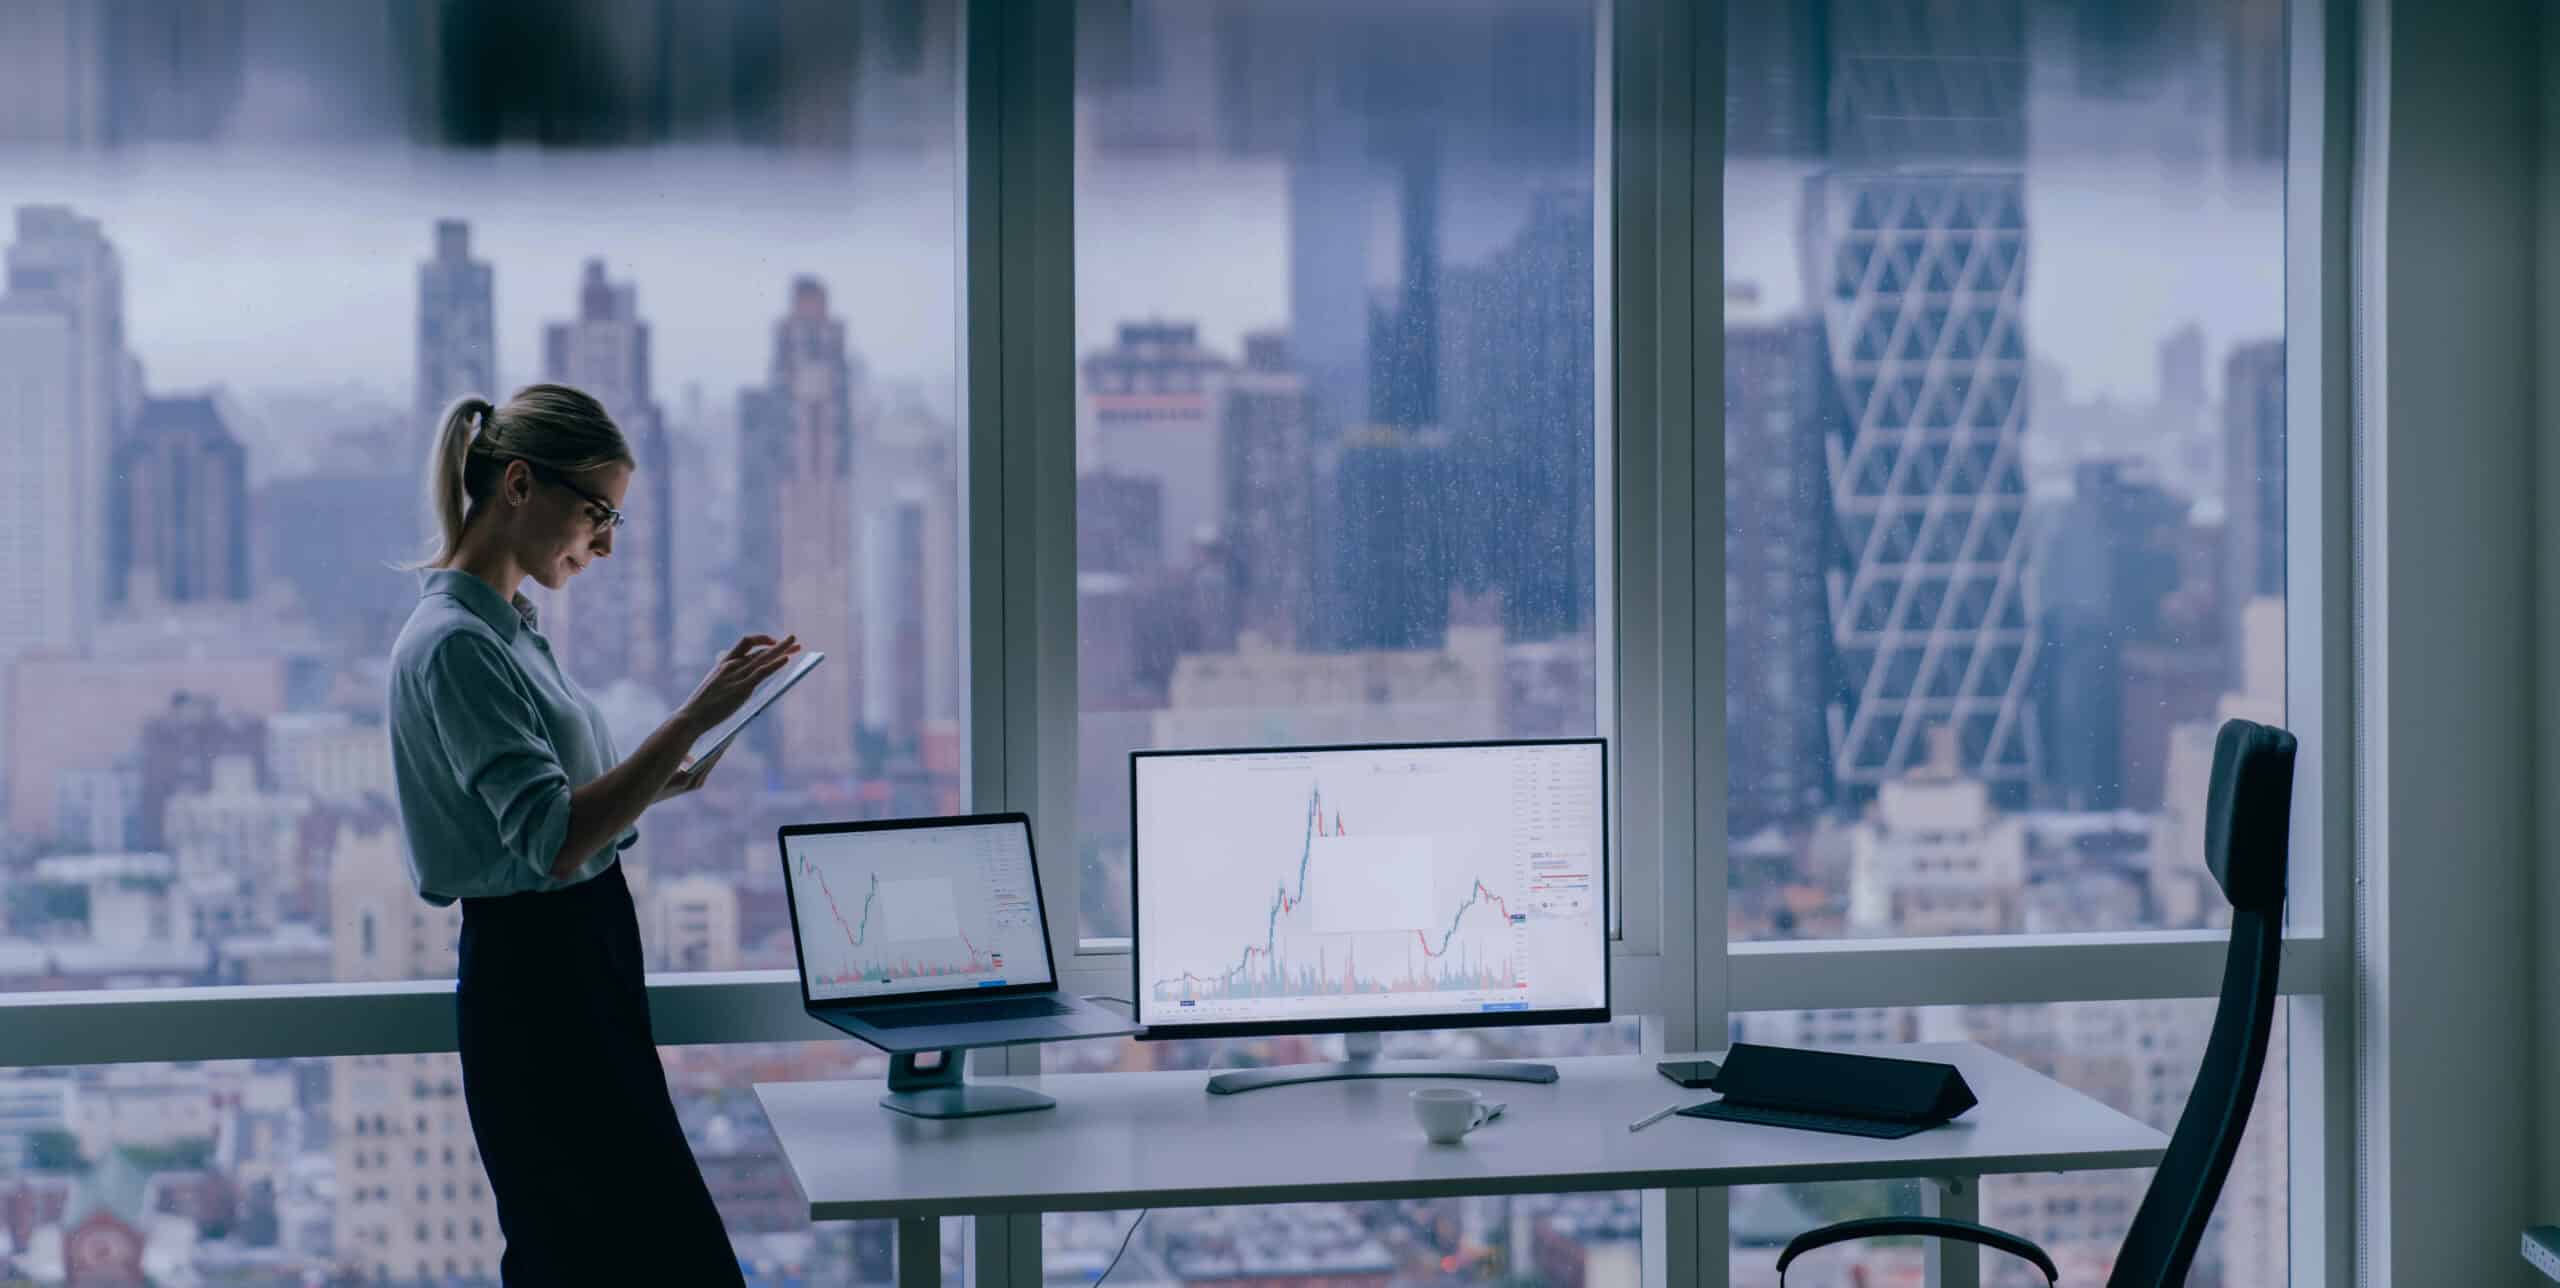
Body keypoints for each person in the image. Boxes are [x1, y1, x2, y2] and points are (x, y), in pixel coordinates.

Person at [387, 384, 798, 1284]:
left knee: (629, 1249)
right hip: (542, 981)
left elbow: (553, 813)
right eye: (597, 513)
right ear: (522, 486)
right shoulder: (458, 644)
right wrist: (691, 717)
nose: (606, 542)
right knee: (603, 1252)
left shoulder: (511, 630)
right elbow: (551, 839)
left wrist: (661, 776)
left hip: (579, 961)